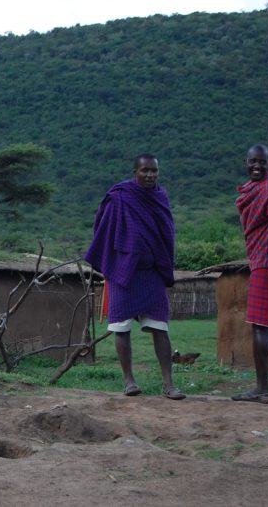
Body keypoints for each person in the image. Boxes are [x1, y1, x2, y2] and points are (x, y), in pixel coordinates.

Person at [85, 153, 185, 399]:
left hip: (151, 273)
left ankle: (169, 385)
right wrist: (117, 258)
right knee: (121, 328)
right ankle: (129, 381)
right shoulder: (120, 196)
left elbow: (167, 233)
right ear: (135, 172)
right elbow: (103, 228)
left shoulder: (160, 198)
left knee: (160, 327)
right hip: (123, 272)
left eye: (154, 171)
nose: (150, 175)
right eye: (145, 170)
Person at [233, 144, 268, 403]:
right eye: (253, 162)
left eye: (262, 162)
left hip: (266, 262)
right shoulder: (254, 190)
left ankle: (261, 388)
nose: (257, 166)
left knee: (261, 324)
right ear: (246, 162)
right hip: (262, 258)